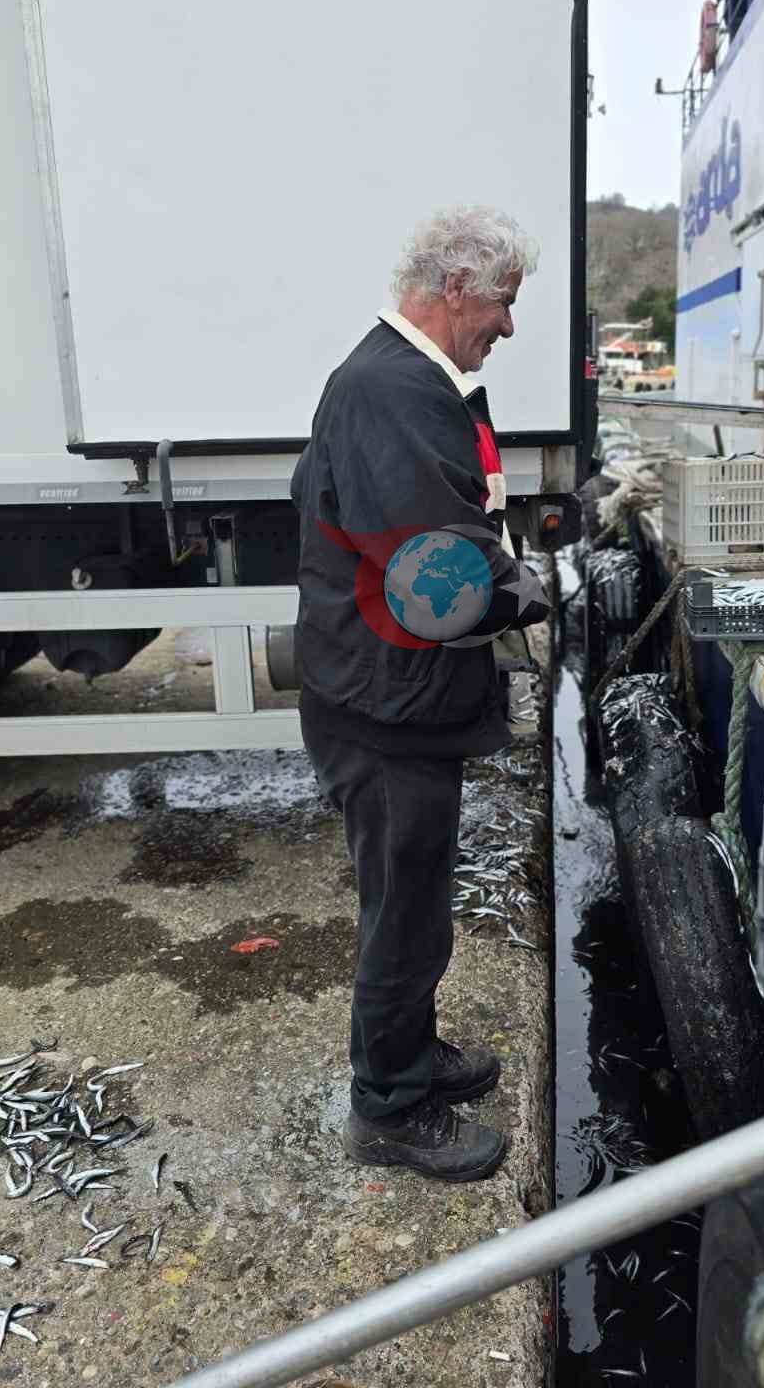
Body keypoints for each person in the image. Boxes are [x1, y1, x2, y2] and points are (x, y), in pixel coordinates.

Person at [290, 206, 550, 1182]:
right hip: (385, 704)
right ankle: (389, 1104)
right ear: (454, 289)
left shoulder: (403, 383)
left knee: (419, 897)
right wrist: (530, 591)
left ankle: (411, 1053)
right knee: (403, 907)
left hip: (395, 693)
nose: (509, 326)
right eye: (503, 303)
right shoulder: (392, 392)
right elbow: (435, 574)